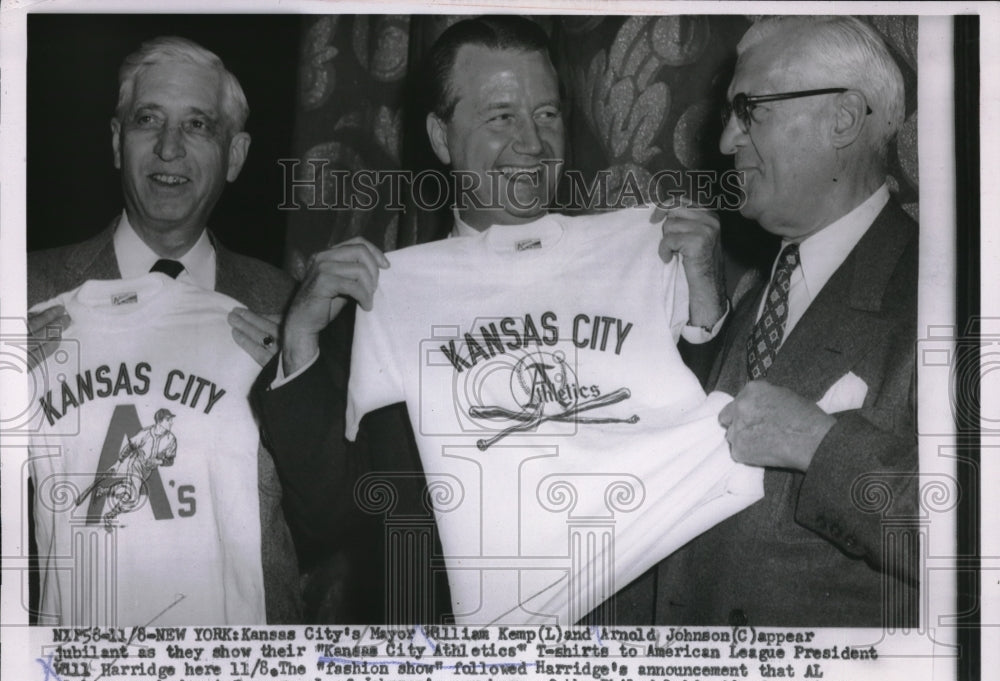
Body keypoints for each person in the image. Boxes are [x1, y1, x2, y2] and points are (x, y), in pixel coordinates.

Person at [254, 16, 731, 623]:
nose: (532, 143)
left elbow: (717, 442)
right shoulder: (381, 297)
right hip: (464, 659)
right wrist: (300, 336)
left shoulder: (653, 256)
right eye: (501, 116)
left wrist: (704, 295)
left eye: (548, 114)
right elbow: (325, 519)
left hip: (629, 635)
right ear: (442, 136)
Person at [636, 16, 919, 627]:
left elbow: (981, 538)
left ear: (843, 117)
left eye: (751, 108)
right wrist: (706, 312)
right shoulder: (759, 291)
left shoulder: (951, 294)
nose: (725, 141)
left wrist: (821, 445)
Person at [27, 36, 300, 623]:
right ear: (117, 142)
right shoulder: (22, 294)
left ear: (234, 154)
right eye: (148, 120)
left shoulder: (285, 305)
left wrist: (300, 392)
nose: (169, 148)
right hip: (77, 678)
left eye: (198, 125)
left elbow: (334, 521)